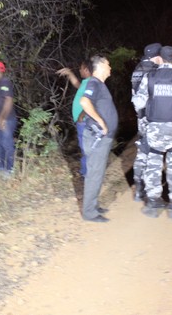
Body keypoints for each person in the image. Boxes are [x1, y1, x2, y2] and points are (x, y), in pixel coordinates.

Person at [132, 46, 172, 219]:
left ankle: (153, 204)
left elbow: (138, 103)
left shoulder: (149, 77)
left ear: (160, 59)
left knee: (153, 164)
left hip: (154, 128)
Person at [79, 55, 118, 223]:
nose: (110, 68)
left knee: (97, 172)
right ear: (100, 66)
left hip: (102, 138)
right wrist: (101, 121)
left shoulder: (100, 85)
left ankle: (93, 206)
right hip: (97, 138)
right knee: (94, 174)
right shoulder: (94, 83)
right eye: (108, 64)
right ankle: (89, 213)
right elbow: (84, 101)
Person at [130, 43, 161, 201]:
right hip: (152, 117)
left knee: (142, 151)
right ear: (156, 56)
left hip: (140, 116)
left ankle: (138, 188)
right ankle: (151, 192)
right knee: (153, 153)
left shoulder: (137, 69)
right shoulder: (154, 71)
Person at [56, 61, 92, 176]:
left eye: (81, 68)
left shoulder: (91, 83)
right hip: (81, 121)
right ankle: (84, 171)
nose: (80, 70)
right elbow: (77, 84)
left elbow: (91, 101)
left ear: (86, 69)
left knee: (86, 147)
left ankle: (87, 174)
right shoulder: (86, 82)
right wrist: (69, 73)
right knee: (84, 147)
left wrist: (81, 116)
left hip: (84, 120)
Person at [0, 61, 17, 177]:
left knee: (6, 144)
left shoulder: (5, 82)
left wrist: (2, 117)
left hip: (6, 120)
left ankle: (9, 169)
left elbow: (8, 100)